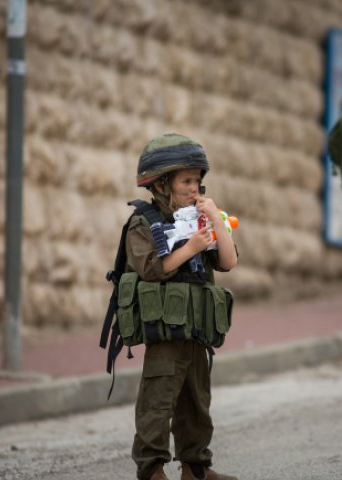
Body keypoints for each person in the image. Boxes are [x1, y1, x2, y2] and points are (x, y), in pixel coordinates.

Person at [126, 133, 238, 480]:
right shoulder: (143, 223)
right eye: (186, 181)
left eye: (198, 181)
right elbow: (150, 269)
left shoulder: (201, 219)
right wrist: (189, 248)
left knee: (196, 401)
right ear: (161, 184)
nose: (195, 188)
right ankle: (151, 469)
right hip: (166, 331)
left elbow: (228, 261)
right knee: (158, 402)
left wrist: (216, 221)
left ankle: (195, 467)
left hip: (196, 330)